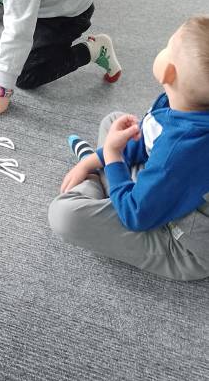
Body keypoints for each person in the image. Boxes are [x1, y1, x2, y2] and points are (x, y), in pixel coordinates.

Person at [48, 17, 209, 281]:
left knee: (64, 216)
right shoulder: (181, 103)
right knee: (116, 121)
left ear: (168, 72)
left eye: (168, 47)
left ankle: (96, 183)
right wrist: (93, 161)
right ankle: (106, 178)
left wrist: (110, 156)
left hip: (183, 246)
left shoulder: (180, 150)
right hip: (168, 189)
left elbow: (137, 216)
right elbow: (150, 137)